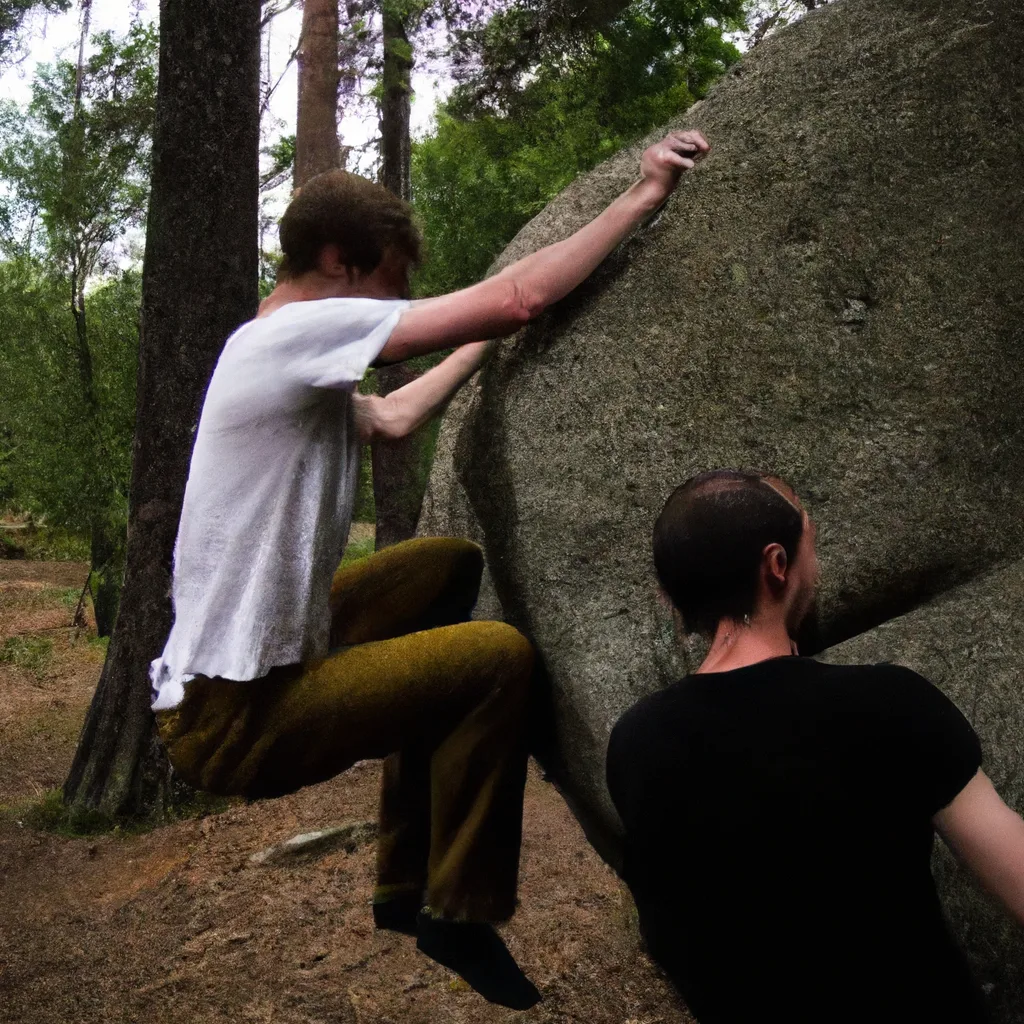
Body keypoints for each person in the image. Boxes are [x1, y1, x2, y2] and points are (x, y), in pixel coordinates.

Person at [149, 129, 711, 1009]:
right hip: (232, 714)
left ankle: (403, 884)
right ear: (338, 260)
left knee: (447, 569)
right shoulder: (294, 334)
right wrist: (639, 196)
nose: (400, 301)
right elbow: (520, 295)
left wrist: (484, 346)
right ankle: (458, 909)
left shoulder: (292, 364)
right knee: (496, 659)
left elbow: (402, 415)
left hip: (255, 668)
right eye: (391, 282)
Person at [606, 469, 1024, 1024]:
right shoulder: (889, 703)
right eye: (811, 543)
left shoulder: (635, 742)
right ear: (777, 565)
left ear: (668, 596)